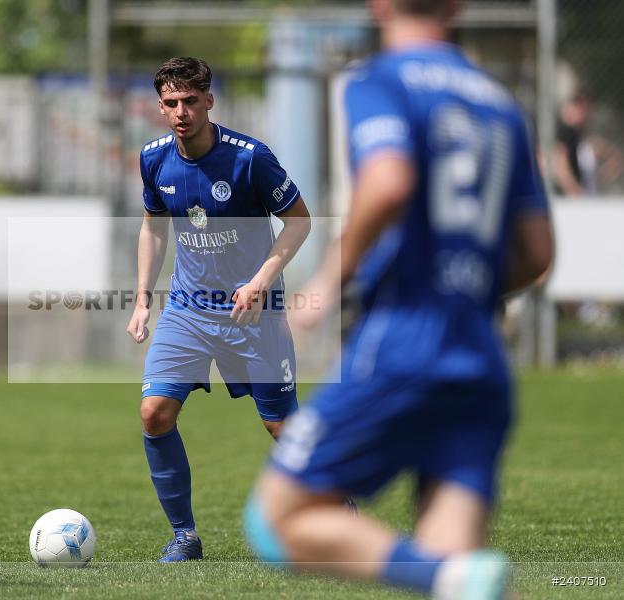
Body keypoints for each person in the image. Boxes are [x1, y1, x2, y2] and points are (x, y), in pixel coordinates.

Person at [243, 1, 554, 598]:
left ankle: (442, 575)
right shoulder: (499, 102)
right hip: (481, 352)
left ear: (379, 4)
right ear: (457, 5)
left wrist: (326, 282)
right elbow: (537, 253)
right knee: (460, 573)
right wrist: (468, 290)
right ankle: (451, 575)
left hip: (405, 336)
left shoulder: (380, 79)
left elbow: (388, 180)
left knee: (277, 521)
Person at [126, 57, 312, 562]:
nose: (181, 112)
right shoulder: (154, 159)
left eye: (190, 101)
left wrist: (260, 282)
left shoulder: (251, 159)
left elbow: (299, 221)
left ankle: (339, 508)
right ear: (160, 107)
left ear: (209, 101)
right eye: (171, 103)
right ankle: (184, 537)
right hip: (187, 310)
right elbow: (153, 226)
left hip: (254, 313)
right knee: (154, 413)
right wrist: (142, 298)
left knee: (282, 428)